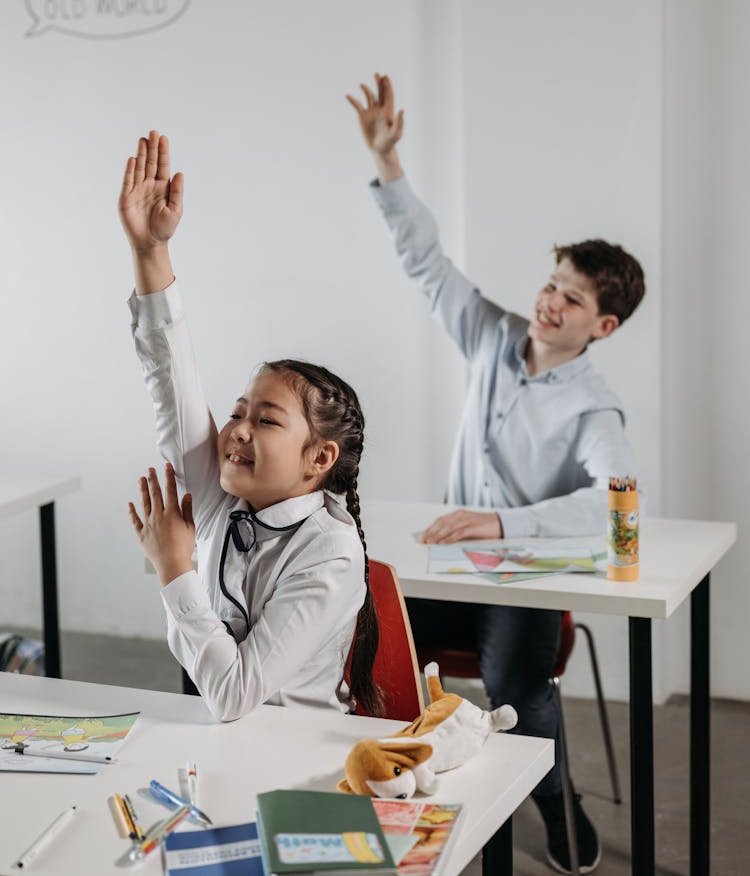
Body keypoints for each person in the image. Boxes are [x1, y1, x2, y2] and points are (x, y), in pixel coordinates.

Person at [347, 74, 645, 875]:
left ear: (602, 325)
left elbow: (618, 505)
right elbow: (426, 262)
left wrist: (503, 523)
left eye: (572, 300)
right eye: (552, 285)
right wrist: (388, 160)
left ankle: (554, 805)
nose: (549, 303)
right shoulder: (492, 332)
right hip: (449, 562)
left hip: (521, 575)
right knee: (363, 619)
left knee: (516, 695)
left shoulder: (595, 406)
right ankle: (396, 797)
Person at [118, 131, 380, 723]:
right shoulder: (227, 498)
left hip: (291, 755)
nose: (236, 428)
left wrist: (174, 568)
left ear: (319, 459)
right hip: (213, 744)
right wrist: (149, 251)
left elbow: (236, 696)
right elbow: (170, 377)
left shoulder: (329, 551)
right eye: (238, 411)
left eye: (266, 420)